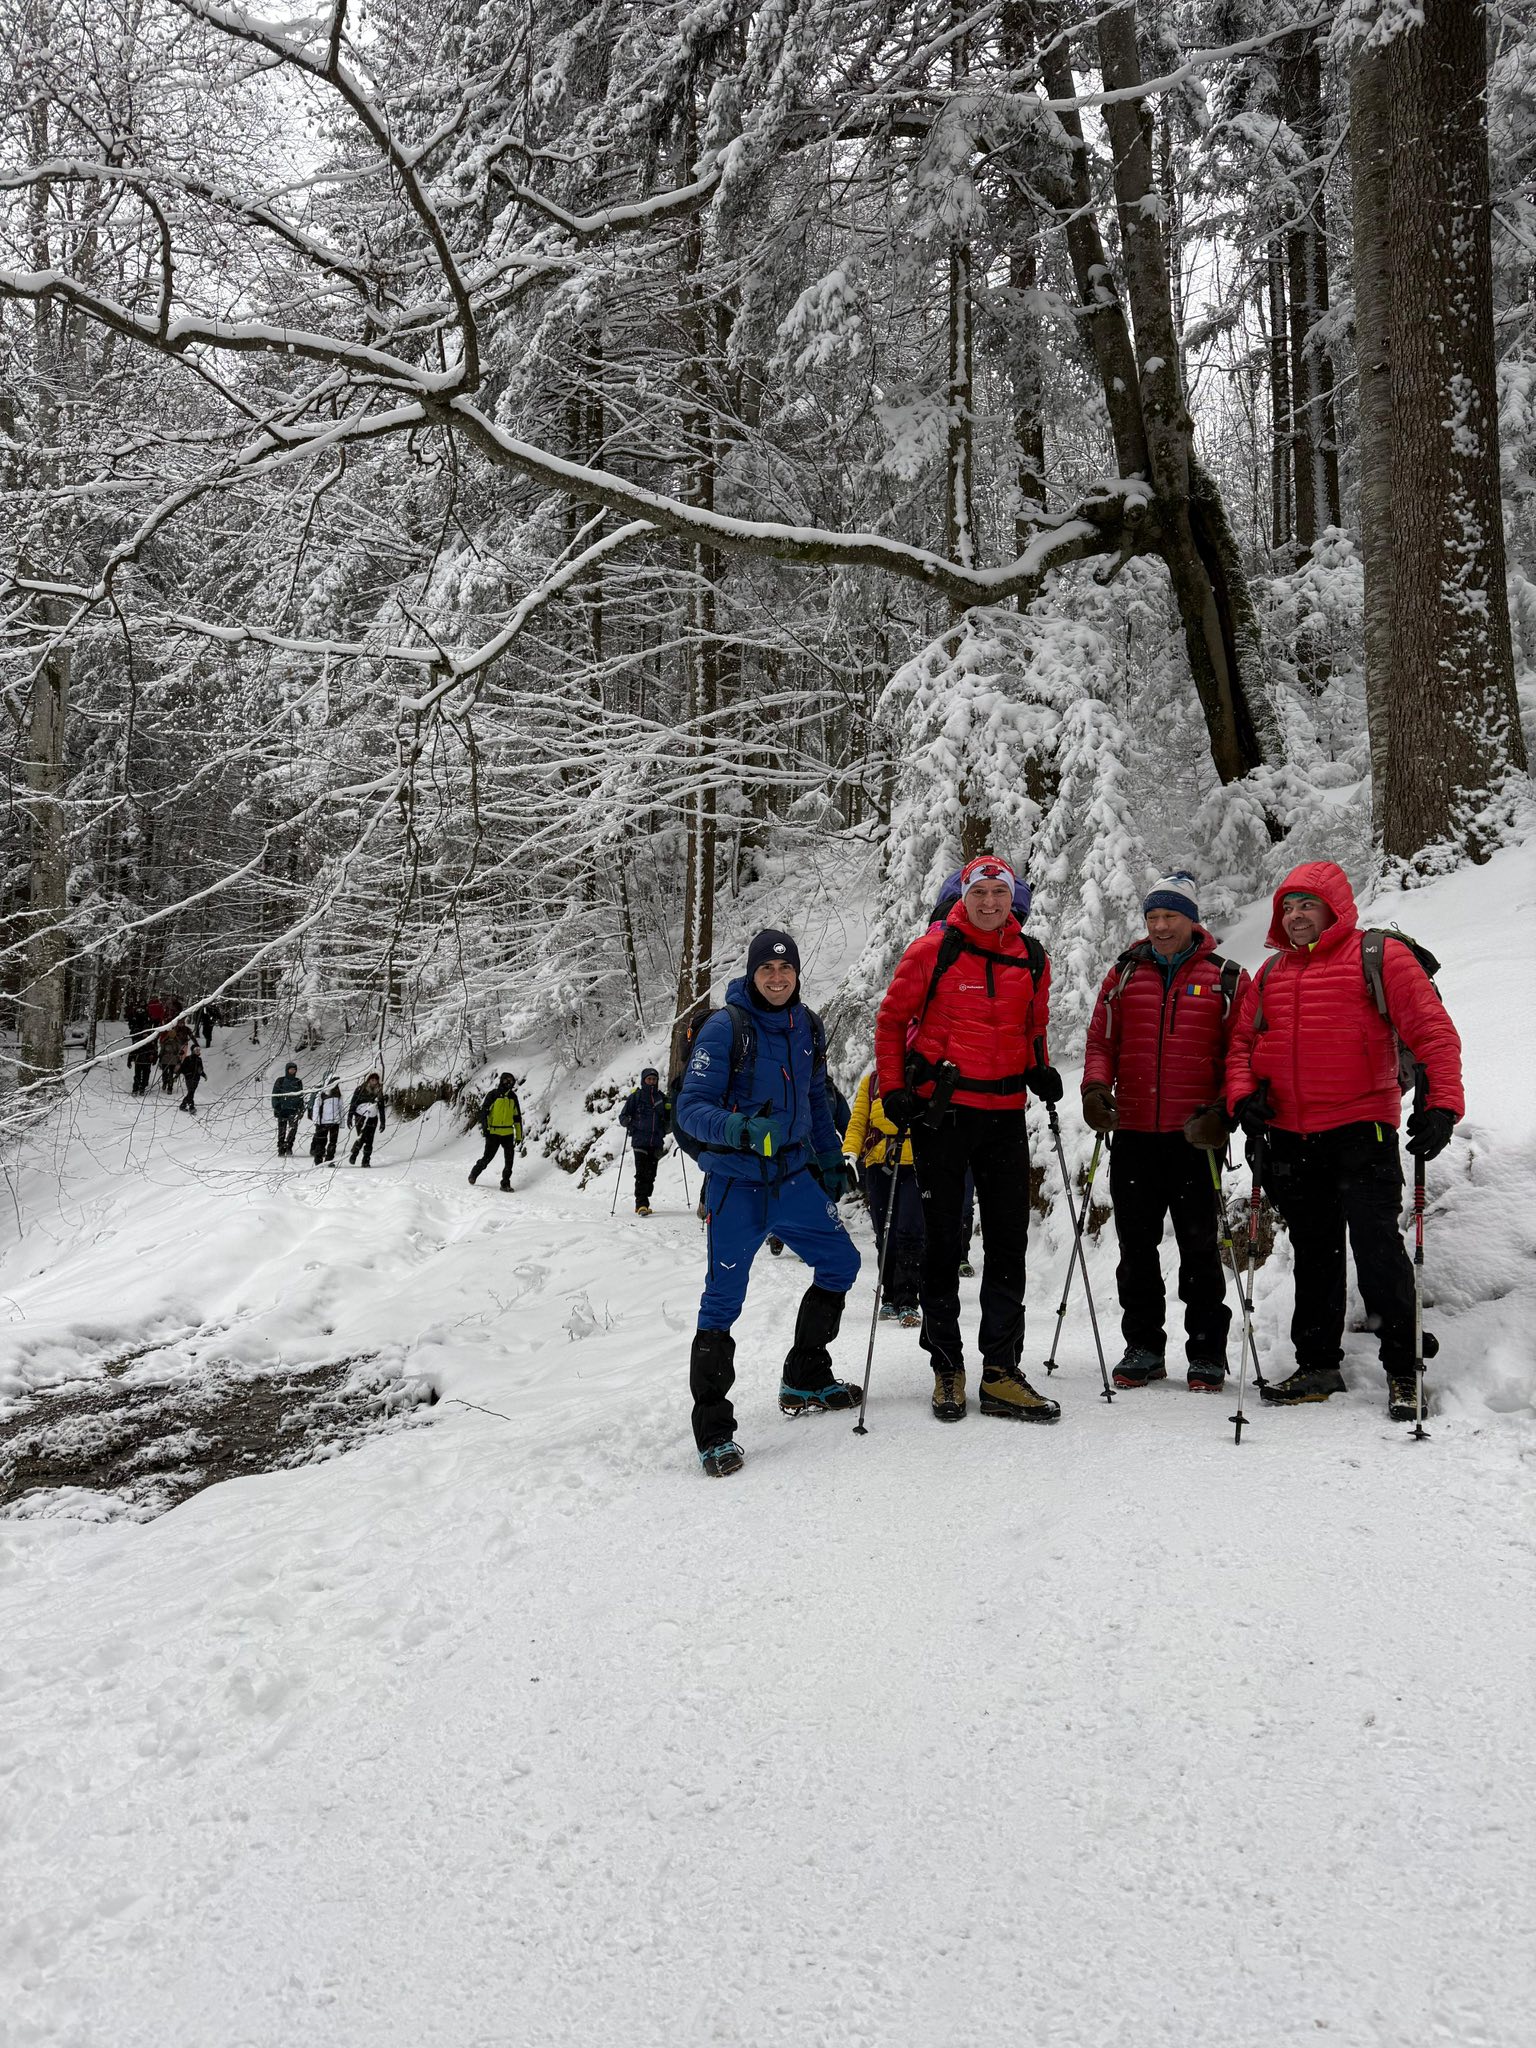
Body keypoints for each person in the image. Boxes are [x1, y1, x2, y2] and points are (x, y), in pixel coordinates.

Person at [1224, 861, 1464, 1419]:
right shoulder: (1273, 973)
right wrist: (1243, 1097)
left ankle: (1404, 1369)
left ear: (1334, 908)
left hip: (1363, 1129)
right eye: (1287, 906)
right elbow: (1241, 1045)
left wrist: (1443, 1105)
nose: (1296, 916)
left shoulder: (1378, 957)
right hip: (1288, 1135)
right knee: (1314, 1251)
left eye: (1307, 905)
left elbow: (1433, 1033)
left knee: (1378, 1249)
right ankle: (1317, 1364)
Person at [876, 853, 1061, 1425]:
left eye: (998, 894)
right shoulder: (932, 951)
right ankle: (947, 1366)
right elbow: (889, 1020)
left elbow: (1033, 1026)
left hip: (1005, 1115)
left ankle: (1001, 1370)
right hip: (944, 1115)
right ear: (963, 896)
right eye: (978, 893)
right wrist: (891, 1090)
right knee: (943, 1244)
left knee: (1008, 1242)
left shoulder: (1031, 957)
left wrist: (1039, 1067)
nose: (988, 903)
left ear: (1013, 899)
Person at [675, 928, 861, 1478]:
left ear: (797, 973)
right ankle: (713, 1431)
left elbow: (815, 1098)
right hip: (736, 1185)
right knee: (722, 1304)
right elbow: (689, 1109)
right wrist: (738, 1128)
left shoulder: (807, 1026)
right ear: (753, 974)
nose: (777, 979)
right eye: (766, 971)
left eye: (786, 970)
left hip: (795, 1177)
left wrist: (829, 1158)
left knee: (841, 1263)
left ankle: (805, 1374)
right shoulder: (723, 1028)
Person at [1081, 871, 1250, 1392]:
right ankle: (1144, 1347)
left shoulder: (1226, 977)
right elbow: (1100, 1041)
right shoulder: (1125, 974)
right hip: (1132, 1133)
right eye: (1152, 917)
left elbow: (1242, 1052)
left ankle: (1206, 1353)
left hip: (1194, 1136)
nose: (1159, 926)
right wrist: (1093, 1089)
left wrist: (1224, 1113)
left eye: (1169, 916)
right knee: (1136, 1248)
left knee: (1200, 1247)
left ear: (1191, 920)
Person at [843, 1067, 922, 1325]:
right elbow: (858, 1123)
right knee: (884, 1232)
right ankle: (889, 1293)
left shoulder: (925, 1077)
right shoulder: (872, 1082)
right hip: (879, 1163)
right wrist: (850, 1154)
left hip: (917, 1164)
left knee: (909, 1230)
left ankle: (908, 1299)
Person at [619, 1067, 670, 1215]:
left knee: (651, 1174)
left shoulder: (661, 1097)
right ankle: (641, 1203)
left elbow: (667, 1117)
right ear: (644, 1080)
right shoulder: (636, 1097)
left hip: (656, 1141)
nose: (652, 1082)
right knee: (641, 1173)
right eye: (649, 1079)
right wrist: (627, 1121)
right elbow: (623, 1116)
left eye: (654, 1079)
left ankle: (644, 1200)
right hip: (640, 1140)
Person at [470, 1072, 524, 1190]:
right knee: (487, 1158)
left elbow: (517, 1118)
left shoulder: (513, 1097)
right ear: (501, 1080)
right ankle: (474, 1173)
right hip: (493, 1133)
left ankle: (505, 1183)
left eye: (511, 1081)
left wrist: (519, 1135)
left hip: (508, 1134)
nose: (508, 1083)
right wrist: (486, 1129)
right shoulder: (493, 1095)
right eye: (506, 1080)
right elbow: (484, 1113)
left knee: (509, 1161)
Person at [348, 1073, 386, 1166]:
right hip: (360, 1117)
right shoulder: (360, 1089)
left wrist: (382, 1122)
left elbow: (381, 1107)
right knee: (361, 1137)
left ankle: (366, 1160)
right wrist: (350, 1116)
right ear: (368, 1080)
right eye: (371, 1079)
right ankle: (354, 1154)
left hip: (372, 1118)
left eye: (375, 1080)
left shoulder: (379, 1092)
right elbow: (353, 1103)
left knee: (370, 1140)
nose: (373, 1082)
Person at [309, 1076, 345, 1165]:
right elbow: (316, 1107)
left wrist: (341, 1121)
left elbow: (341, 1108)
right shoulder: (322, 1093)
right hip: (323, 1121)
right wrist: (316, 1121)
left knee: (333, 1142)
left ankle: (329, 1159)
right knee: (321, 1141)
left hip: (335, 1122)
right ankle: (318, 1159)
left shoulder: (338, 1094)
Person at [272, 1063, 304, 1155]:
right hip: (282, 1109)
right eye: (291, 1069)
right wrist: (276, 1106)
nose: (292, 1071)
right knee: (282, 1130)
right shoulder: (280, 1080)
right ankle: (281, 1147)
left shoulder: (298, 1081)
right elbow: (274, 1094)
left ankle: (289, 1146)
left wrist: (301, 1108)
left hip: (294, 1110)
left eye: (294, 1069)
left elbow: (301, 1095)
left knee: (293, 1129)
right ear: (287, 1070)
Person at [178, 1041, 206, 1114]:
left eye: (199, 1050)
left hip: (196, 1079)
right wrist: (185, 1073)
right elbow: (182, 1068)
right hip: (189, 1078)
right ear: (193, 1051)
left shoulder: (199, 1060)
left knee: (191, 1092)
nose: (198, 1051)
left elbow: (200, 1069)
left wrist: (204, 1075)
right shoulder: (188, 1058)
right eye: (196, 1050)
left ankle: (183, 1105)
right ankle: (191, 1107)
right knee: (191, 1091)